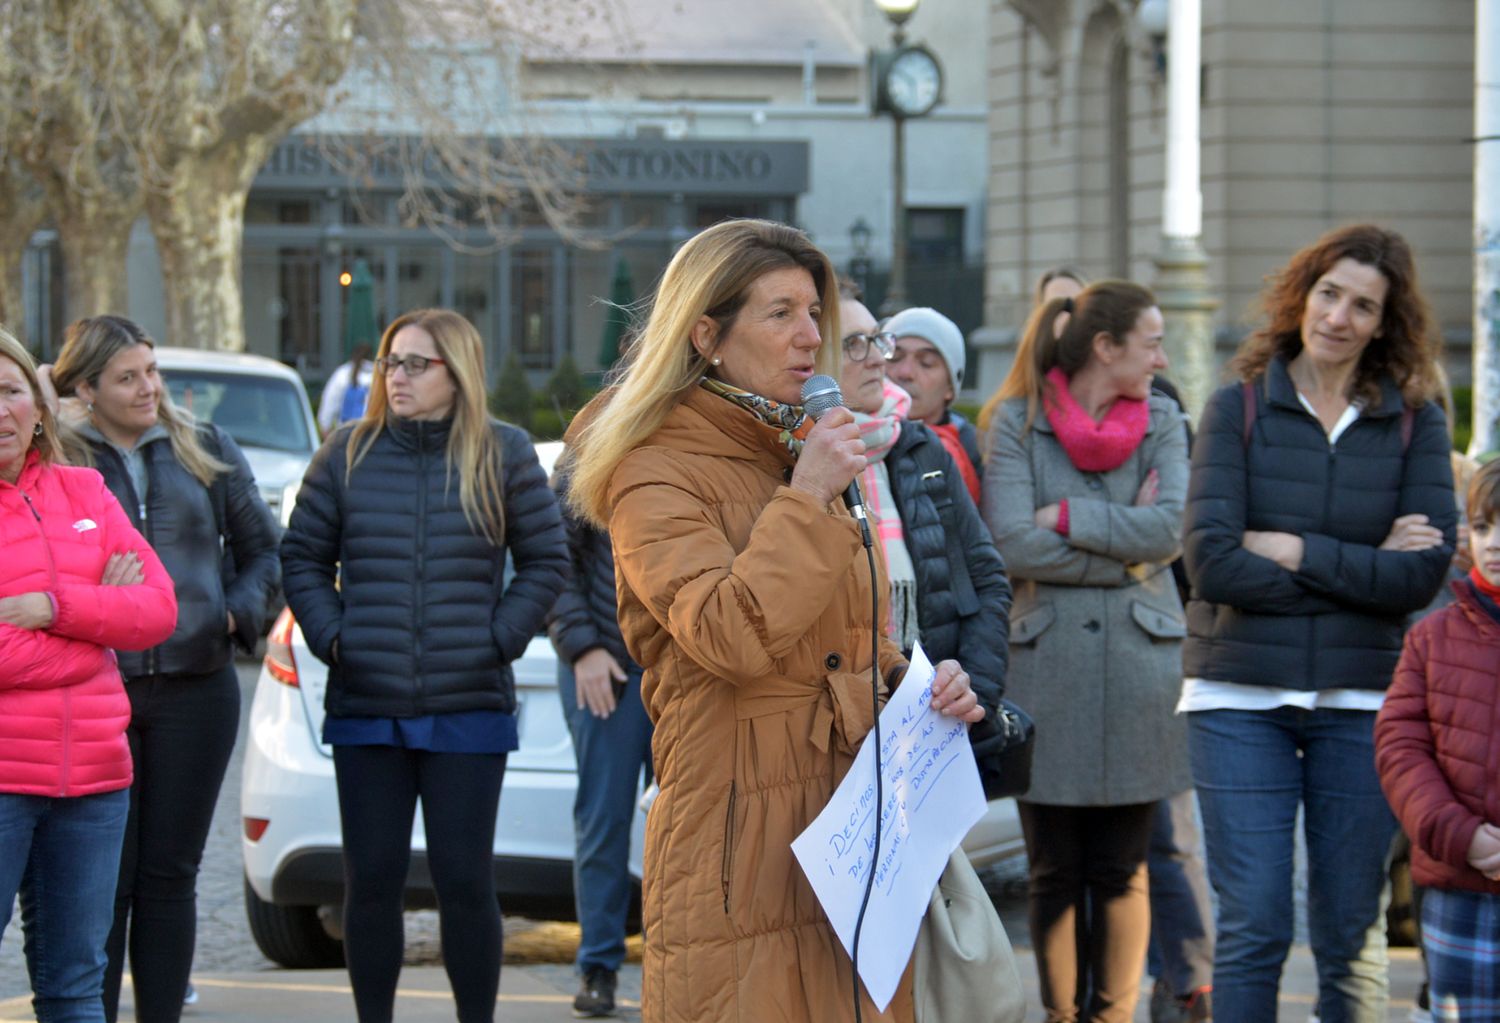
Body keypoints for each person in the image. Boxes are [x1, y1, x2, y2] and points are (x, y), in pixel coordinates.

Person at [562, 218, 986, 1023]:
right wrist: (807, 496)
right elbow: (731, 633)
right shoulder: (653, 467)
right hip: (740, 841)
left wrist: (919, 686)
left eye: (815, 312)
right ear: (706, 335)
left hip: (853, 837)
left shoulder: (802, 446)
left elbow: (852, 641)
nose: (811, 336)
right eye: (781, 312)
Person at [1182, 223, 1455, 1023]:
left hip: (1364, 699)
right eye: (1329, 293)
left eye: (1362, 304)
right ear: (1303, 295)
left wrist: (1296, 548)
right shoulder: (1235, 409)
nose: (1339, 315)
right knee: (1256, 922)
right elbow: (1213, 564)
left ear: (1384, 322)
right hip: (1237, 695)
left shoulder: (1414, 423)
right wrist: (1362, 564)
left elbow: (1421, 572)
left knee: (1350, 929)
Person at [280, 308, 569, 1023]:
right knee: (370, 882)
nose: (397, 376)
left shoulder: (501, 453)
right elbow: (302, 559)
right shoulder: (345, 453)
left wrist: (497, 637)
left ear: (457, 373)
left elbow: (547, 560)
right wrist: (337, 638)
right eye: (390, 362)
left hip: (468, 705)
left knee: (465, 881)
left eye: (416, 363)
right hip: (367, 703)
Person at [45, 315, 281, 1023]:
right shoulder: (61, 464)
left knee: (171, 874)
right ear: (84, 388)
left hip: (197, 689)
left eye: (151, 371)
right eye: (127, 377)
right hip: (97, 690)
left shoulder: (204, 447)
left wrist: (231, 612)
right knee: (105, 880)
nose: (149, 387)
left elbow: (268, 552)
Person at [982, 280, 1190, 1023]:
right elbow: (1010, 540)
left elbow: (1167, 531)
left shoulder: (1164, 418)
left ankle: (1111, 1016)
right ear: (1107, 348)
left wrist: (1067, 515)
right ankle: (1062, 1016)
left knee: (1124, 867)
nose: (1164, 356)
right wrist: (1124, 554)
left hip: (1141, 669)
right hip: (1047, 671)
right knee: (1053, 869)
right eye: (1153, 341)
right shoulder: (1014, 422)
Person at [0, 327, 178, 1023]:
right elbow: (121, 622)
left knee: (77, 984)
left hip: (94, 783)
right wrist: (98, 631)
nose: (0, 411)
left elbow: (157, 608)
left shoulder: (85, 490)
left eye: (10, 391)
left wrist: (53, 608)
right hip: (6, 777)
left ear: (39, 406)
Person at [836, 282, 1010, 741]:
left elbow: (986, 579)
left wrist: (975, 690)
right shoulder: (790, 458)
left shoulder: (921, 447)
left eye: (877, 340)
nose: (880, 359)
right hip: (837, 730)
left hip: (934, 721)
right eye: (854, 344)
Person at [1376, 456, 1500, 1023]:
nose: (1493, 543)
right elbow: (1401, 747)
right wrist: (1457, 834)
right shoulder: (1432, 638)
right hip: (1459, 878)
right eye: (1482, 526)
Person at [546, 463, 653, 1019]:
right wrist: (582, 647)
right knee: (605, 816)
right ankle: (599, 966)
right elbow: (551, 558)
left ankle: (675, 965)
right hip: (605, 663)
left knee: (688, 821)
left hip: (685, 666)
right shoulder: (592, 442)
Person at [883, 305, 982, 504]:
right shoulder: (854, 440)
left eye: (926, 362)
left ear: (950, 388)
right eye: (895, 357)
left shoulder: (980, 452)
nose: (906, 372)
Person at [317, 342, 375, 435]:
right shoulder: (379, 376)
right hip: (372, 437)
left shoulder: (342, 374)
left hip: (344, 437)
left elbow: (327, 412)